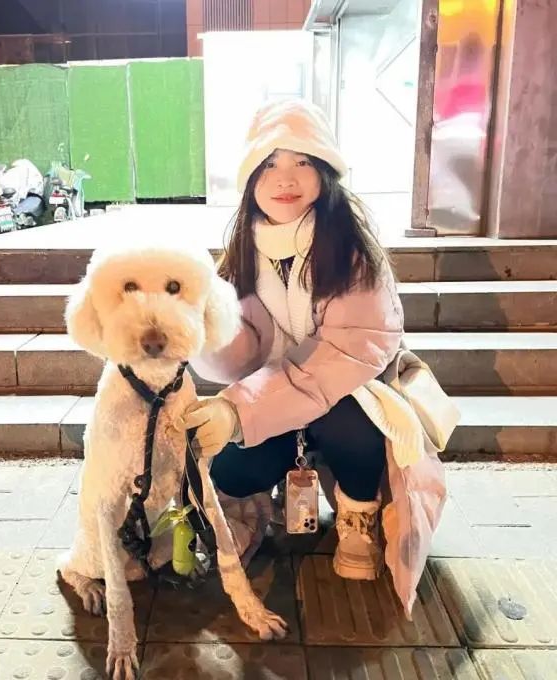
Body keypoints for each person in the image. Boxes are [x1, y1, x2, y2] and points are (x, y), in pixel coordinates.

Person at [181, 98, 405, 581]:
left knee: (351, 421)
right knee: (227, 469)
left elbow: (346, 353)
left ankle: (358, 515)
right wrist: (201, 325)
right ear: (250, 179)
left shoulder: (353, 251)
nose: (284, 179)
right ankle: (255, 507)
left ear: (325, 171)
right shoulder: (245, 251)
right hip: (276, 405)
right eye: (269, 164)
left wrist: (239, 410)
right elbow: (237, 357)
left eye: (301, 161)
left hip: (346, 400)